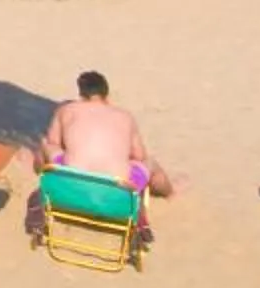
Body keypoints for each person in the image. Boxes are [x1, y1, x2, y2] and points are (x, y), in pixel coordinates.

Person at [41, 70, 173, 196]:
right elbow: (139, 155)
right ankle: (169, 193)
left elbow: (53, 142)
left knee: (47, 145)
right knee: (150, 163)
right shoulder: (125, 116)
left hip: (72, 185)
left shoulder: (67, 109)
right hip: (120, 192)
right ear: (107, 95)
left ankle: (37, 169)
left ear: (81, 95)